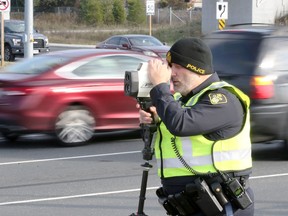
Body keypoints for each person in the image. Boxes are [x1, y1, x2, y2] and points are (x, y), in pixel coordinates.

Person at [138, 37, 254, 216]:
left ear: (196, 68)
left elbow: (181, 124)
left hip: (221, 204)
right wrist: (154, 120)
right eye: (169, 67)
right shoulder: (182, 101)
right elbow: (174, 130)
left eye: (177, 66)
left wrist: (160, 86)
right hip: (188, 204)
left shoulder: (222, 100)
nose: (171, 74)